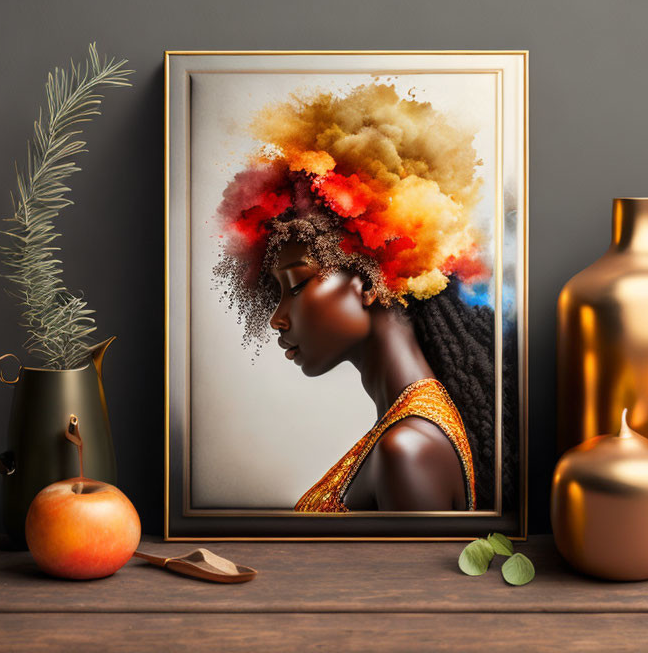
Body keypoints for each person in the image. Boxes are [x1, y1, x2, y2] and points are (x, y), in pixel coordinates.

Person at [214, 83, 513, 512]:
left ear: (370, 282)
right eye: (276, 294)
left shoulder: (407, 450)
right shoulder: (402, 432)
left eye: (296, 285)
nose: (277, 318)